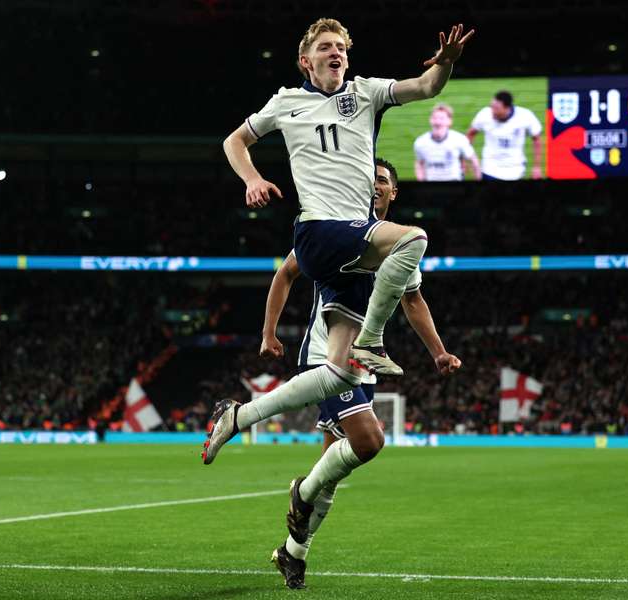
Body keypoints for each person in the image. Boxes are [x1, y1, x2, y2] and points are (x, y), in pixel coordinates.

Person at [204, 12, 472, 574]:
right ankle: (371, 341)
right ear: (306, 60)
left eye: (341, 48)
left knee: (343, 380)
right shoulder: (286, 102)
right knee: (416, 237)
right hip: (320, 232)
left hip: (352, 246)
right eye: (325, 48)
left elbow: (424, 87)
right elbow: (234, 139)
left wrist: (444, 65)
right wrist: (251, 178)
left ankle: (242, 423)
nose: (335, 54)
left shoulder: (367, 95)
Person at [260, 158, 461, 588]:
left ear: (393, 193)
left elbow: (413, 302)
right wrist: (269, 332)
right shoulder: (336, 231)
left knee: (333, 470)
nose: (374, 186)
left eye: (382, 181)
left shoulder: (401, 244)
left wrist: (439, 353)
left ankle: (292, 554)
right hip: (327, 356)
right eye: (369, 180)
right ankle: (297, 489)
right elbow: (285, 273)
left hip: (362, 364)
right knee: (368, 440)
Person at [466, 90, 543, 180]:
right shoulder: (485, 114)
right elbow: (470, 134)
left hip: (515, 171)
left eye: (496, 109)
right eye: (492, 107)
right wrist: (464, 159)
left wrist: (537, 167)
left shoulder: (525, 116)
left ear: (507, 108)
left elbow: (537, 139)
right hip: (489, 170)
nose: (492, 112)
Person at [413, 103, 481, 181]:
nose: (438, 122)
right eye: (435, 118)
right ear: (430, 120)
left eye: (442, 118)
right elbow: (419, 163)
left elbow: (474, 161)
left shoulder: (459, 139)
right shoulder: (420, 142)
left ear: (449, 121)